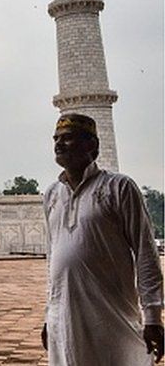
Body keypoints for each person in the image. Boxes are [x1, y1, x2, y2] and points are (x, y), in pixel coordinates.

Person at [41, 113, 163, 365]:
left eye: (68, 138)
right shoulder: (52, 194)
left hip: (109, 315)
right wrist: (50, 313)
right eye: (56, 138)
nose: (59, 144)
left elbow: (145, 252)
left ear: (92, 145)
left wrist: (152, 317)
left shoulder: (118, 188)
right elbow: (53, 257)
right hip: (63, 318)